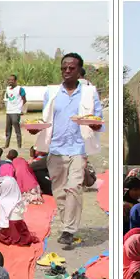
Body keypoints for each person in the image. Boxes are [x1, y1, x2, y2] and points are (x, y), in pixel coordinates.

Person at [35, 54, 102, 251]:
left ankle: (68, 230)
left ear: (79, 71)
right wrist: (36, 130)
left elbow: (97, 119)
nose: (66, 71)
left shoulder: (89, 93)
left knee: (74, 187)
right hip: (56, 149)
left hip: (78, 149)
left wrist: (94, 125)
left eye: (71, 68)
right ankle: (67, 225)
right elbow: (45, 119)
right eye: (63, 68)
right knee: (59, 191)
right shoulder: (52, 93)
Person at [0, 174, 36, 246]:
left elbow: (2, 223)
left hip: (9, 232)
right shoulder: (17, 198)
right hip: (21, 229)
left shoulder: (0, 202)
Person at [3, 74, 27, 149]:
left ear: (15, 81)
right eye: (9, 80)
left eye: (12, 80)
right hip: (9, 111)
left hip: (16, 112)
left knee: (17, 130)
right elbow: (7, 99)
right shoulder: (7, 89)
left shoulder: (20, 89)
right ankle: (6, 145)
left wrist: (20, 109)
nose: (10, 81)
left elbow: (24, 100)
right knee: (8, 130)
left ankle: (19, 146)